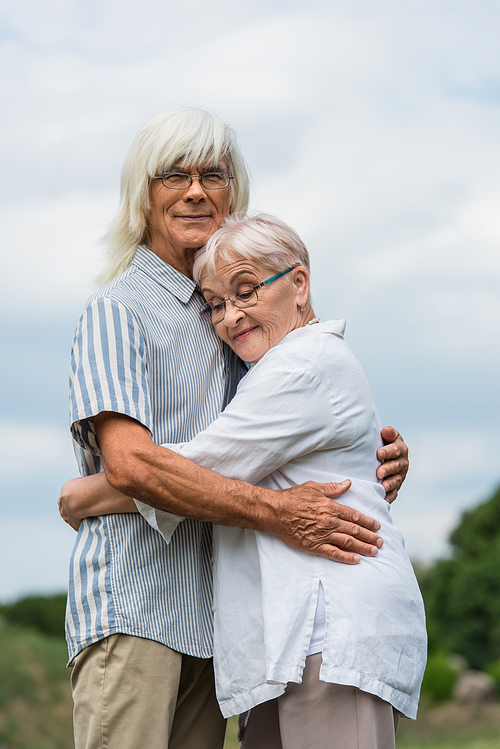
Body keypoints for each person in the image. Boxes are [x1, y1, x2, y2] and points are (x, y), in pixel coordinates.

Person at [61, 107, 410, 749]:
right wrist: (277, 510)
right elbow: (133, 465)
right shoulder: (118, 309)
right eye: (173, 175)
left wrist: (367, 456)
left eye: (213, 176)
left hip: (223, 622)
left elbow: (293, 424)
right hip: (139, 603)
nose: (195, 190)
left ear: (234, 196)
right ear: (143, 194)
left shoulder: (234, 316)